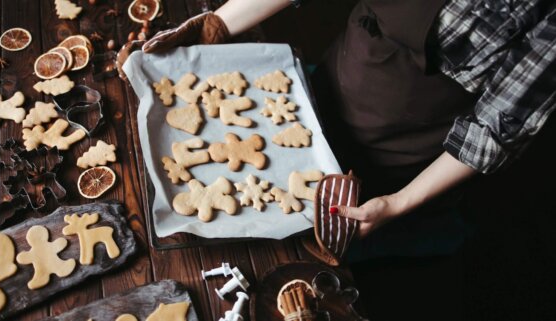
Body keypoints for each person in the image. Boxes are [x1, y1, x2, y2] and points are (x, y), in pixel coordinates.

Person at [125, 0, 556, 318]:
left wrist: (400, 202)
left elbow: (498, 127)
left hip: (402, 158)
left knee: (330, 277)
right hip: (314, 95)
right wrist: (218, 25)